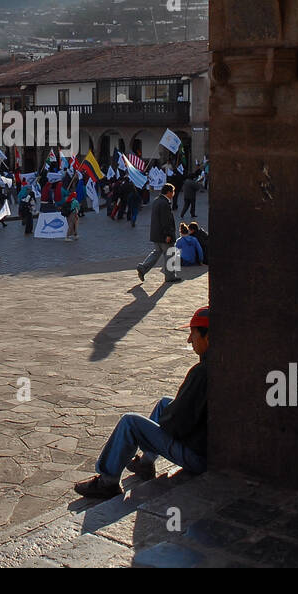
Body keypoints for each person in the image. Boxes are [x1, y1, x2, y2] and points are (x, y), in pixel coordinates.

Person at [74, 306, 209, 499]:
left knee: (131, 422)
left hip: (198, 457)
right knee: (164, 403)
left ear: (208, 338)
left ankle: (108, 481)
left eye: (193, 334)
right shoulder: (221, 364)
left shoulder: (202, 373)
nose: (189, 340)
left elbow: (177, 424)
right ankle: (146, 462)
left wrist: (166, 420)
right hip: (208, 445)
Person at [136, 184, 181, 284]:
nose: (173, 194)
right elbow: (166, 221)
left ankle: (143, 268)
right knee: (170, 254)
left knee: (157, 253)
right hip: (164, 235)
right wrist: (168, 234)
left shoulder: (157, 200)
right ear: (169, 192)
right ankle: (170, 276)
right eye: (172, 192)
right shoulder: (164, 203)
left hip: (156, 234)